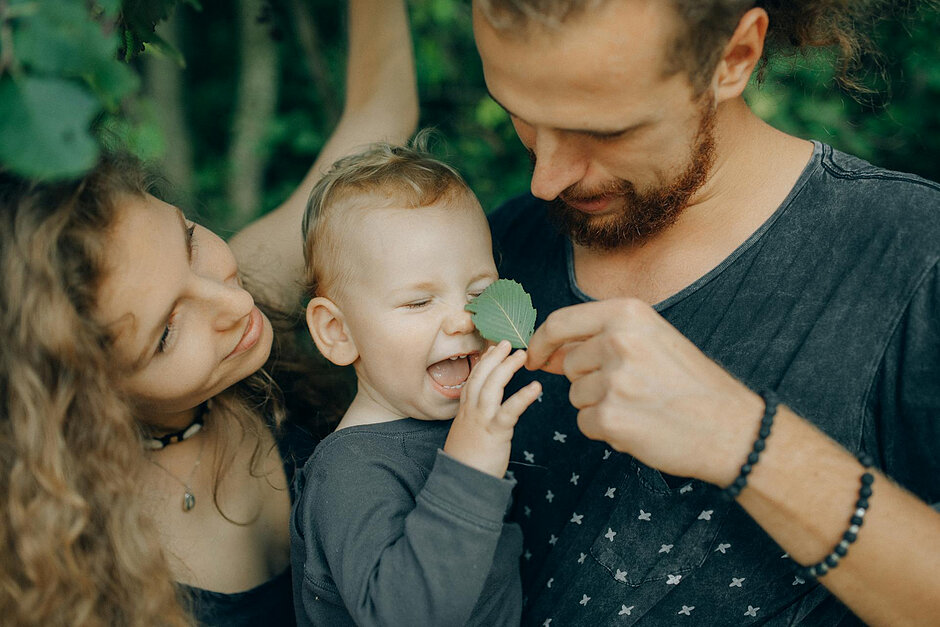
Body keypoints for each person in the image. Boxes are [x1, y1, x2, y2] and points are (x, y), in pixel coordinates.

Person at [470, 1, 940, 625]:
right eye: (519, 117)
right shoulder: (495, 249)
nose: (547, 178)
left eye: (605, 130)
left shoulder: (913, 257)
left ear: (734, 56)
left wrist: (743, 438)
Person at [0, 1, 417, 624]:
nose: (232, 301)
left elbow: (378, 118)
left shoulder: (243, 287)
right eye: (166, 333)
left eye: (191, 238)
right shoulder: (75, 559)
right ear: (83, 395)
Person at [291, 140, 543, 626]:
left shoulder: (461, 420)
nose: (461, 321)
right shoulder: (349, 472)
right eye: (417, 303)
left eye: (478, 292)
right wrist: (470, 469)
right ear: (338, 333)